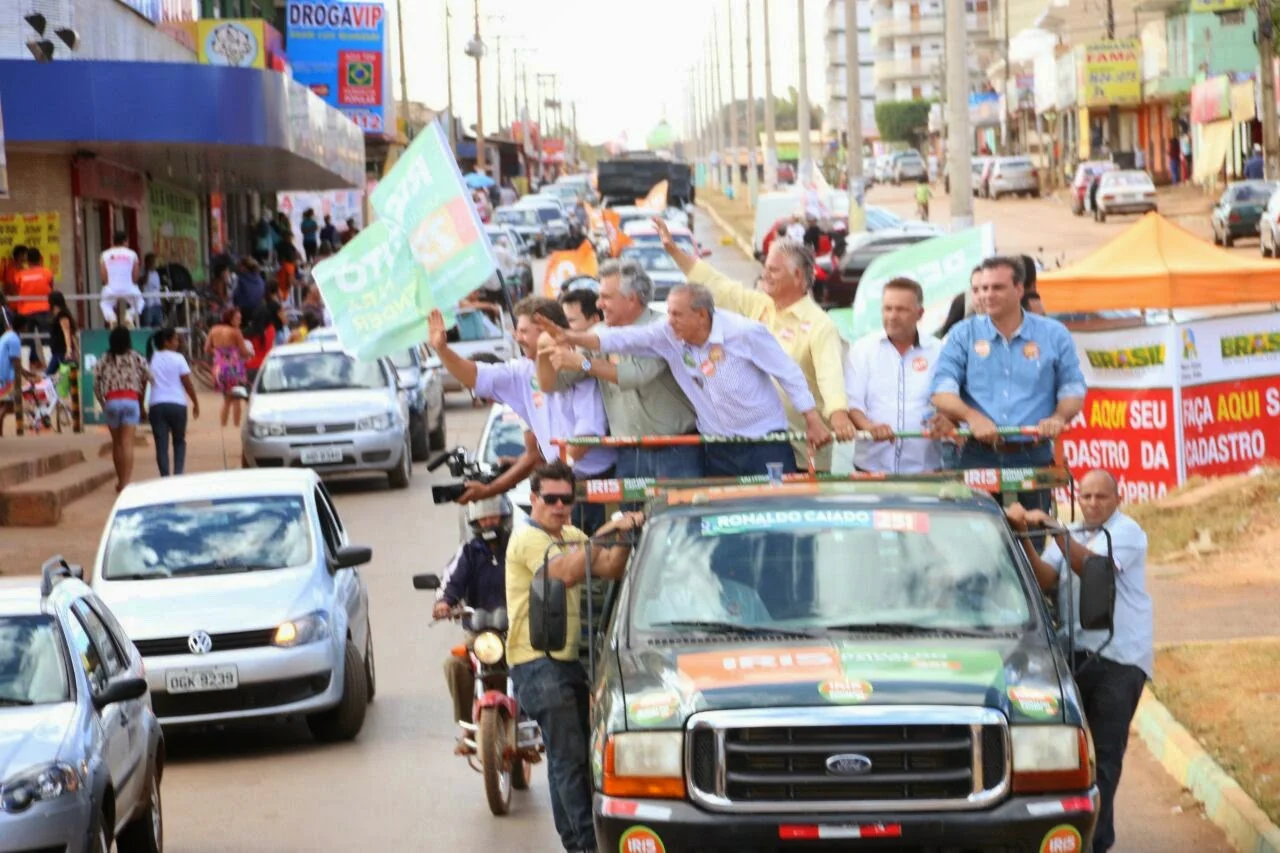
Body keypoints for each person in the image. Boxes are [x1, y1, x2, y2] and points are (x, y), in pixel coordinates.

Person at [539, 282, 829, 478]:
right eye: (669, 313)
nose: (670, 320)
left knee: (774, 515)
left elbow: (788, 373)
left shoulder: (744, 332)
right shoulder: (667, 335)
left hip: (766, 445)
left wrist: (812, 418)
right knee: (725, 524)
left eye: (677, 314)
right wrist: (572, 337)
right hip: (717, 448)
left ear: (702, 315)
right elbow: (624, 338)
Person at [1006, 470, 1152, 853]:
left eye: (1101, 497)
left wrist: (1056, 530)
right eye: (1085, 496)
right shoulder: (1071, 532)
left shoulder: (1127, 533)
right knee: (1070, 756)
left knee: (1103, 756)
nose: (1091, 503)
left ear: (1117, 499)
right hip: (1075, 658)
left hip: (1117, 659)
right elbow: (1047, 580)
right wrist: (1023, 538)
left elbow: (1094, 570)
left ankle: (1096, 844)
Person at [504, 460, 640, 853]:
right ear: (533, 499)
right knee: (571, 762)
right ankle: (585, 845)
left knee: (571, 760)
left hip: (564, 664)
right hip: (536, 663)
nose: (560, 506)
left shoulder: (571, 534)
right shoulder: (527, 539)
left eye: (567, 499)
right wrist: (605, 532)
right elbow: (563, 572)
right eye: (551, 499)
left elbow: (610, 568)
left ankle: (577, 843)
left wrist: (631, 533)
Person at [656, 218, 854, 470]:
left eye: (774, 270)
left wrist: (838, 415)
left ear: (797, 275)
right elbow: (718, 285)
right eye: (765, 268)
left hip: (804, 448)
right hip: (758, 442)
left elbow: (831, 378)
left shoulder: (820, 325)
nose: (765, 275)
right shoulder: (759, 306)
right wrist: (673, 250)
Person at [427, 297, 616, 531]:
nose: (517, 337)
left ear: (546, 329)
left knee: (592, 563)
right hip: (561, 484)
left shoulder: (577, 367)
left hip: (593, 485)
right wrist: (442, 349)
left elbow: (585, 438)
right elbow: (475, 376)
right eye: (517, 331)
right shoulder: (523, 371)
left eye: (524, 331)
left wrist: (554, 477)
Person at [931, 255, 1087, 522]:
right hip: (977, 453)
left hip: (1033, 453)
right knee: (977, 536)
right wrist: (972, 417)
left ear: (1019, 289)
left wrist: (1058, 418)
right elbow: (941, 392)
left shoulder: (1054, 334)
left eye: (997, 287)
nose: (988, 295)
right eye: (983, 288)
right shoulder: (962, 334)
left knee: (1032, 537)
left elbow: (1073, 389)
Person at [538, 259, 702, 483]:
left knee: (682, 517)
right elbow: (553, 384)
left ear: (632, 299)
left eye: (606, 297)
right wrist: (543, 349)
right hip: (628, 454)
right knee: (626, 518)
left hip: (676, 452)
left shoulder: (665, 330)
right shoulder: (598, 333)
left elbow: (634, 375)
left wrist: (583, 363)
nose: (598, 304)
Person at [432, 497, 513, 744]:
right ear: (475, 521)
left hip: (516, 631)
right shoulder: (468, 551)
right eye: (483, 517)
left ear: (503, 517)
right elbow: (452, 581)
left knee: (538, 663)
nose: (489, 521)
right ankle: (468, 724)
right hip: (479, 634)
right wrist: (444, 602)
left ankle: (535, 721)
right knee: (454, 665)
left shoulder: (516, 546)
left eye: (493, 515)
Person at [844, 278, 943, 473]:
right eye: (887, 309)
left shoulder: (938, 351)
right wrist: (868, 427)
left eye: (901, 309)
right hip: (871, 468)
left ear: (920, 314)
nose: (892, 316)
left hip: (924, 469)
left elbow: (948, 399)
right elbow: (853, 403)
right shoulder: (863, 349)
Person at [93, 326, 151, 492]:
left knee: (117, 443)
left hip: (112, 401)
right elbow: (147, 377)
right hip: (131, 401)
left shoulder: (105, 358)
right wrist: (140, 402)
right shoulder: (136, 357)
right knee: (127, 444)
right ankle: (126, 482)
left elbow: (95, 383)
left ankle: (120, 480)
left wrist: (103, 403)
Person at [146, 327, 200, 477]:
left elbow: (146, 381)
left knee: (161, 444)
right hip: (177, 404)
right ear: (167, 342)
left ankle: (165, 476)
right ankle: (178, 474)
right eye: (175, 339)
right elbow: (187, 382)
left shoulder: (152, 358)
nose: (178, 342)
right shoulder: (179, 358)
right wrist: (195, 402)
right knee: (179, 441)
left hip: (157, 404)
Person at [206, 308, 252, 426]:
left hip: (219, 368)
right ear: (230, 319)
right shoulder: (235, 332)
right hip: (233, 366)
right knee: (236, 399)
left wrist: (219, 354)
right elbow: (243, 351)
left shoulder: (214, 330)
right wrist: (249, 353)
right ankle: (235, 427)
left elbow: (206, 349)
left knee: (227, 399)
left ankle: (224, 426)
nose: (240, 321)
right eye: (238, 318)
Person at [12, 248, 53, 366]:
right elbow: (51, 289)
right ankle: (50, 370)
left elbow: (17, 290)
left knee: (25, 340)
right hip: (44, 310)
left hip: (25, 311)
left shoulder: (19, 275)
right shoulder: (47, 273)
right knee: (46, 339)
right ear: (40, 259)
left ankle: (25, 369)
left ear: (27, 261)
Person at [99, 231, 144, 327]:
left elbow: (103, 274)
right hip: (129, 287)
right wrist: (132, 284)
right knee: (140, 302)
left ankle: (111, 317)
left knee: (105, 304)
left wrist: (108, 284)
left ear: (113, 241)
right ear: (125, 241)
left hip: (111, 288)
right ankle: (129, 316)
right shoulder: (132, 254)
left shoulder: (105, 254)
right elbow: (135, 275)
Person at [45, 291, 77, 376]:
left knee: (48, 374)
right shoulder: (56, 315)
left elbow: (67, 332)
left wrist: (69, 350)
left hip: (61, 351)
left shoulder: (62, 315)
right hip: (57, 351)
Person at [139, 253, 165, 328]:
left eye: (154, 262)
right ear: (147, 262)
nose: (153, 264)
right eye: (152, 262)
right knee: (147, 326)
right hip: (147, 305)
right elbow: (144, 282)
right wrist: (147, 270)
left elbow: (157, 288)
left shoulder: (156, 273)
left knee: (158, 326)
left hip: (157, 304)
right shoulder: (142, 272)